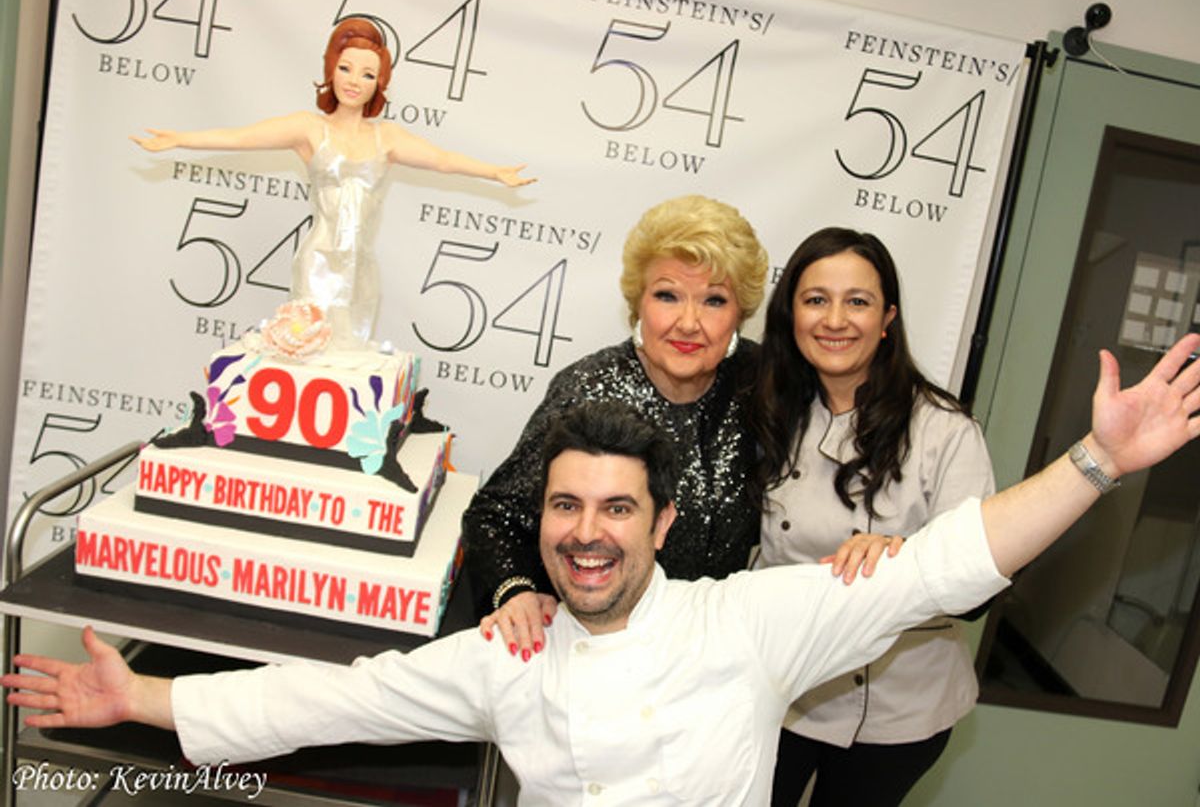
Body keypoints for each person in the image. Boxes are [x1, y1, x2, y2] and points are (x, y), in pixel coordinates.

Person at [4, 338, 1200, 806]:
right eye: (567, 506)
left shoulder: (753, 621)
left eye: (617, 507)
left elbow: (947, 560)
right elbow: (342, 694)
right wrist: (145, 699)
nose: (588, 530)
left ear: (663, 521)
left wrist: (1101, 456)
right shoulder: (508, 651)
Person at [462, 194, 767, 657]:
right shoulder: (587, 389)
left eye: (713, 300)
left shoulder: (763, 386)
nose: (688, 322)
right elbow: (495, 516)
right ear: (638, 302)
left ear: (739, 314)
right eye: (668, 295)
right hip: (588, 653)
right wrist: (517, 592)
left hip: (705, 655)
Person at [750, 228, 994, 805]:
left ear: (887, 318)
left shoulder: (945, 430)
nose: (835, 319)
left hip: (895, 707)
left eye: (857, 301)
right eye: (816, 300)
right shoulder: (769, 410)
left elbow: (977, 589)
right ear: (790, 316)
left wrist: (901, 557)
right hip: (781, 686)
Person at [132, 18, 533, 348]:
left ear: (380, 83)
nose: (354, 80)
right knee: (309, 346)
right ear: (331, 70)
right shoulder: (309, 129)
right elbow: (241, 137)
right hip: (319, 261)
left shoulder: (386, 137)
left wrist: (494, 172)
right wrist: (180, 139)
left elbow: (443, 161)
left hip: (361, 266)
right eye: (345, 68)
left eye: (367, 73)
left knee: (350, 350)